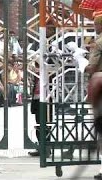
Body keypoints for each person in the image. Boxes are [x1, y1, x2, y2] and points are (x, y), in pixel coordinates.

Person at [84, 16, 102, 180]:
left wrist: (83, 65)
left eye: (96, 24)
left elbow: (92, 66)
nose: (95, 27)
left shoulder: (99, 42)